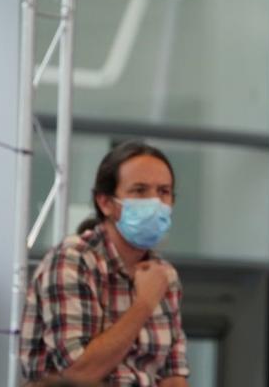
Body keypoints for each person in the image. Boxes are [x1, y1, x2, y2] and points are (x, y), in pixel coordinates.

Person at [20, 141, 190, 386]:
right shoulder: (73, 260)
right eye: (140, 190)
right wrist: (144, 304)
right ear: (106, 203)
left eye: (164, 191)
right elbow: (77, 374)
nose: (155, 202)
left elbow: (174, 375)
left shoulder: (164, 275)